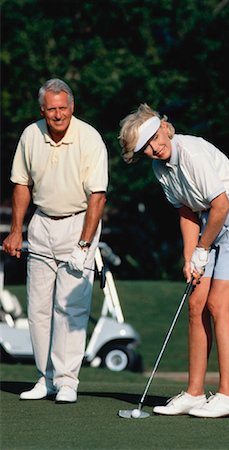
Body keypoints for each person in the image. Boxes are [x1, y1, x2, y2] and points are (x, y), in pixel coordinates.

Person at [119, 104, 229, 418]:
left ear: (163, 128)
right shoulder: (161, 169)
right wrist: (190, 258)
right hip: (209, 223)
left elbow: (221, 205)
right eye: (144, 148)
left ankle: (228, 396)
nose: (154, 148)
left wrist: (201, 248)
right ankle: (194, 393)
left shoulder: (192, 153)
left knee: (219, 304)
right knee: (196, 303)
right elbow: (187, 211)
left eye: (154, 139)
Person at [2, 78, 108, 403]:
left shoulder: (89, 138)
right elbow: (22, 184)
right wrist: (17, 230)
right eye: (51, 110)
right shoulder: (31, 135)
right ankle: (44, 377)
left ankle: (66, 381)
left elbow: (98, 197)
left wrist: (84, 245)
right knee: (38, 307)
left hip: (78, 225)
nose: (58, 115)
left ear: (72, 107)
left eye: (63, 108)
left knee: (71, 307)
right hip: (42, 224)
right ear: (42, 110)